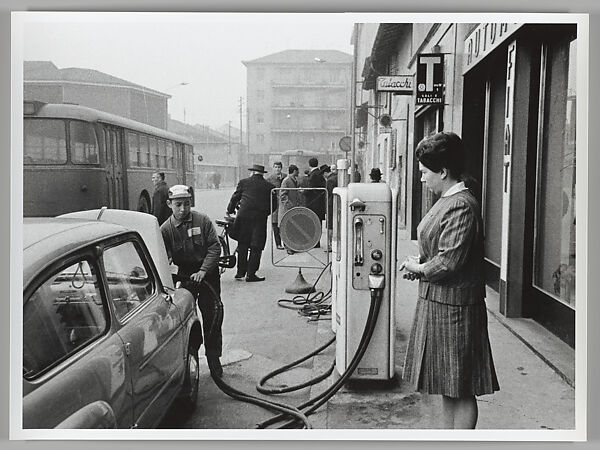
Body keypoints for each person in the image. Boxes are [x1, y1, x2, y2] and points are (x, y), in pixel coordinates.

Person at [400, 132, 499, 429]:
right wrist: (420, 263)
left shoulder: (460, 204)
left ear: (443, 171)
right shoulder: (447, 199)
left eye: (424, 172)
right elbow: (441, 252)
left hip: (455, 309)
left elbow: (449, 261)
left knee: (461, 386)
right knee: (448, 383)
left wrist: (418, 268)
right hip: (441, 304)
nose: (421, 179)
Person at [160, 184, 224, 377]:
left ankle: (213, 358)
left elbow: (214, 247)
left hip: (207, 275)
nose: (183, 209)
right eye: (178, 204)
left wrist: (204, 271)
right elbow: (162, 257)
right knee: (186, 319)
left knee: (213, 316)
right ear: (169, 204)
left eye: (186, 204)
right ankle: (191, 359)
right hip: (185, 277)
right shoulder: (166, 229)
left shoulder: (202, 221)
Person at [226, 164, 275, 282]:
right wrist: (265, 213)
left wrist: (230, 210)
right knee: (256, 246)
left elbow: (235, 198)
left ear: (252, 172)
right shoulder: (269, 186)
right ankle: (251, 274)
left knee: (243, 243)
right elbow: (274, 205)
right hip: (259, 218)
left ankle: (240, 273)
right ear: (263, 173)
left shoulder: (244, 182)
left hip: (243, 217)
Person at [304, 157, 326, 248]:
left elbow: (310, 188)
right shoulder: (318, 173)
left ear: (309, 165)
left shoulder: (313, 175)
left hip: (314, 203)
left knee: (313, 222)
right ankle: (316, 242)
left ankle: (315, 242)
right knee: (318, 222)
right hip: (319, 203)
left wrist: (303, 192)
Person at [265, 161, 285, 250]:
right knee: (275, 224)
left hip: (284, 203)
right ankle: (278, 243)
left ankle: (286, 242)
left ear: (281, 168)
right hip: (275, 204)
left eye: (279, 167)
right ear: (273, 168)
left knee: (285, 222)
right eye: (276, 167)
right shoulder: (269, 179)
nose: (277, 169)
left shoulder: (285, 177)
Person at [325, 164, 338, 251]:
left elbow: (328, 193)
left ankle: (330, 244)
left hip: (331, 203)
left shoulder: (330, 180)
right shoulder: (338, 177)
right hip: (337, 203)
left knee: (330, 225)